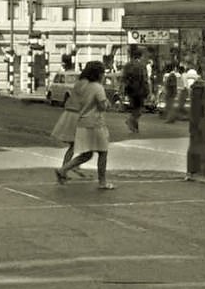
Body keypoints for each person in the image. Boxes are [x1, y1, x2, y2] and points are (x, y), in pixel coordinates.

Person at [55, 61, 115, 190]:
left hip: (82, 122)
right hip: (95, 123)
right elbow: (102, 106)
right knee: (103, 152)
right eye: (103, 73)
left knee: (87, 154)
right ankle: (102, 182)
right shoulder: (98, 87)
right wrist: (107, 104)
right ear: (99, 74)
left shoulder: (84, 86)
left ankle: (63, 169)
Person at [48, 89, 91, 180]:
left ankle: (65, 169)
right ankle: (68, 168)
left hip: (70, 116)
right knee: (82, 148)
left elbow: (67, 104)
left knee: (74, 146)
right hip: (77, 117)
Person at [120, 48, 150, 133]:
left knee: (135, 108)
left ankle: (135, 127)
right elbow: (145, 79)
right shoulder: (141, 66)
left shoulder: (127, 65)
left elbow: (123, 79)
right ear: (140, 56)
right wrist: (148, 91)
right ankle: (130, 120)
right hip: (139, 90)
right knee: (139, 109)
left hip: (130, 89)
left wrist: (123, 89)